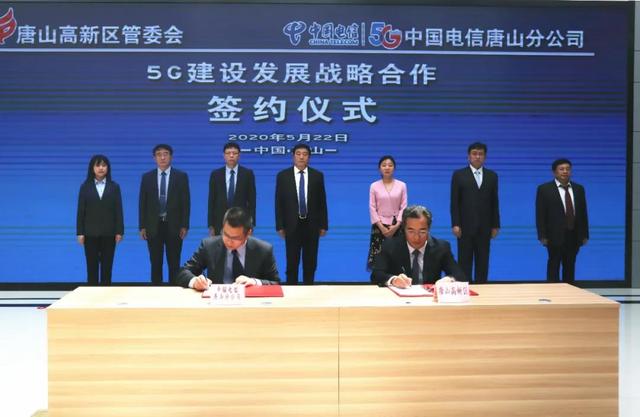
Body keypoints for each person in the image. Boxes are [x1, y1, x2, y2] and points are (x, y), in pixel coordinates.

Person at [177, 207, 280, 290]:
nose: (229, 241)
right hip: (217, 303)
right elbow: (183, 272)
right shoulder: (209, 245)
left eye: (235, 238)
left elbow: (275, 283)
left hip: (251, 304)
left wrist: (255, 282)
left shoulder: (263, 250)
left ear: (248, 233)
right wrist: (195, 282)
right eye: (225, 234)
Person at [371, 205, 465, 287]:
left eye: (422, 231)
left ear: (429, 229)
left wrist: (449, 279)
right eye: (411, 231)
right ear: (404, 229)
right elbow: (376, 275)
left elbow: (459, 275)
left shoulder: (441, 247)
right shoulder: (390, 245)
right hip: (399, 299)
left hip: (430, 299)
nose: (416, 237)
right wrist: (393, 280)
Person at [275, 143, 328, 285]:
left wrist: (323, 225)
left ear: (309, 157)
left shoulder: (317, 175)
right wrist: (279, 225)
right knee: (292, 261)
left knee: (310, 262)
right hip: (291, 224)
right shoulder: (283, 176)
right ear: (293, 156)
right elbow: (278, 202)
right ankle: (291, 289)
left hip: (312, 225)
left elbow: (322, 202)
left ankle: (308, 288)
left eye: (305, 154)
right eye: (298, 154)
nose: (301, 157)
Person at [139, 144, 191, 285]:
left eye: (165, 154)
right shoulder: (147, 177)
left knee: (174, 261)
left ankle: (174, 290)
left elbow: (186, 203)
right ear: (154, 158)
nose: (162, 157)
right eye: (159, 154)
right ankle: (156, 290)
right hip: (153, 226)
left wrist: (185, 225)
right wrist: (142, 226)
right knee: (155, 261)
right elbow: (142, 203)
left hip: (174, 225)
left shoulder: (181, 176)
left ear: (171, 157)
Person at [450, 142, 500, 283]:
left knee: (483, 261)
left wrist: (496, 225)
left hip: (485, 227)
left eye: (481, 154)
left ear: (485, 157)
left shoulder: (492, 176)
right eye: (474, 153)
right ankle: (465, 288)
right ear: (469, 156)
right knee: (464, 261)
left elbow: (495, 202)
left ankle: (482, 289)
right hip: (464, 227)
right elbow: (454, 202)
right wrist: (455, 223)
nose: (477, 156)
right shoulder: (459, 175)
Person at [536, 158, 589, 283]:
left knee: (570, 266)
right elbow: (540, 214)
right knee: (553, 265)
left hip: (574, 235)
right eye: (561, 169)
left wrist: (585, 234)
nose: (565, 171)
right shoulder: (544, 189)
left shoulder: (579, 189)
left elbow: (583, 213)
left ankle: (569, 291)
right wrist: (542, 235)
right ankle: (553, 291)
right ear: (554, 172)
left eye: (568, 169)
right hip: (553, 236)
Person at [76, 154, 124, 285]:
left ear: (108, 168)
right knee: (91, 266)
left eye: (104, 165)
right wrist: (80, 233)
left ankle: (106, 293)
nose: (101, 168)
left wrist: (119, 231)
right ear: (92, 168)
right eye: (98, 165)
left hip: (109, 233)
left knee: (107, 267)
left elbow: (118, 210)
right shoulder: (85, 187)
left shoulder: (114, 187)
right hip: (90, 233)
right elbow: (81, 211)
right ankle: (92, 294)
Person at [367, 155, 407, 269]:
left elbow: (404, 206)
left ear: (394, 168)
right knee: (379, 259)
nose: (387, 168)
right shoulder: (374, 186)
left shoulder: (402, 185)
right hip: (379, 226)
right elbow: (372, 207)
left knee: (397, 258)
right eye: (384, 165)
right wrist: (381, 227)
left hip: (397, 225)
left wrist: (397, 225)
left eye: (390, 165)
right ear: (379, 168)